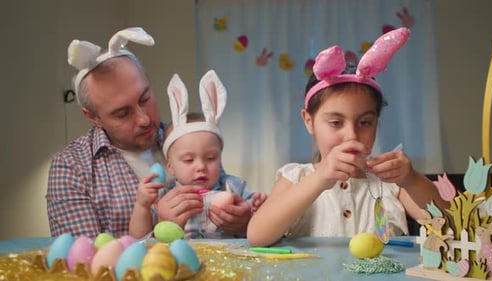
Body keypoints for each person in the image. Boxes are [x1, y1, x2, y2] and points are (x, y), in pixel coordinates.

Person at [247, 28, 449, 247]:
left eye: (365, 123)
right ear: (308, 121)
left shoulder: (391, 185)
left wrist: (411, 179)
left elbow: (451, 227)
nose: (352, 135)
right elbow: (257, 236)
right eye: (336, 123)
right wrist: (320, 178)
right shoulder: (296, 177)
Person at [46, 27, 167, 238]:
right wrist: (167, 227)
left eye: (145, 99)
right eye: (122, 113)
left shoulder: (185, 139)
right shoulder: (72, 167)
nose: (144, 119)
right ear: (93, 117)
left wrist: (239, 222)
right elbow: (84, 263)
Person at [129, 70, 267, 239]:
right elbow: (137, 240)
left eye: (211, 158)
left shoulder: (234, 188)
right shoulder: (165, 196)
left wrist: (254, 214)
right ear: (170, 166)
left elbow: (264, 228)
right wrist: (142, 206)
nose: (201, 166)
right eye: (188, 160)